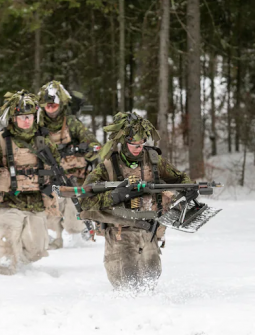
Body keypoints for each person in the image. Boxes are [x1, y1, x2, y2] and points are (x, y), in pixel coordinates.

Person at [79, 112, 192, 291]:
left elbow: (180, 178)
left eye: (142, 144)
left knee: (151, 277)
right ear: (124, 142)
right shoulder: (108, 166)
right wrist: (115, 196)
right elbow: (84, 200)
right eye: (134, 144)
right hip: (120, 232)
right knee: (125, 282)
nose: (138, 148)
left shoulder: (154, 160)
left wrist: (186, 192)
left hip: (148, 229)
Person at [0, 90, 61, 275]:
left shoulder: (43, 140)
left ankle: (21, 259)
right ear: (13, 118)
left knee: (37, 250)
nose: (26, 121)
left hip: (36, 201)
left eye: (29, 116)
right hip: (8, 201)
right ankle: (6, 262)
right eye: (21, 117)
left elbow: (55, 166)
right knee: (6, 238)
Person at [37, 80, 102, 249]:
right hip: (48, 178)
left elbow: (95, 147)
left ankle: (80, 237)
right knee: (50, 211)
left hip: (73, 177)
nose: (51, 108)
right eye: (48, 105)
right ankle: (53, 239)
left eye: (54, 105)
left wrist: (83, 149)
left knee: (74, 220)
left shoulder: (72, 122)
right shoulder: (37, 125)